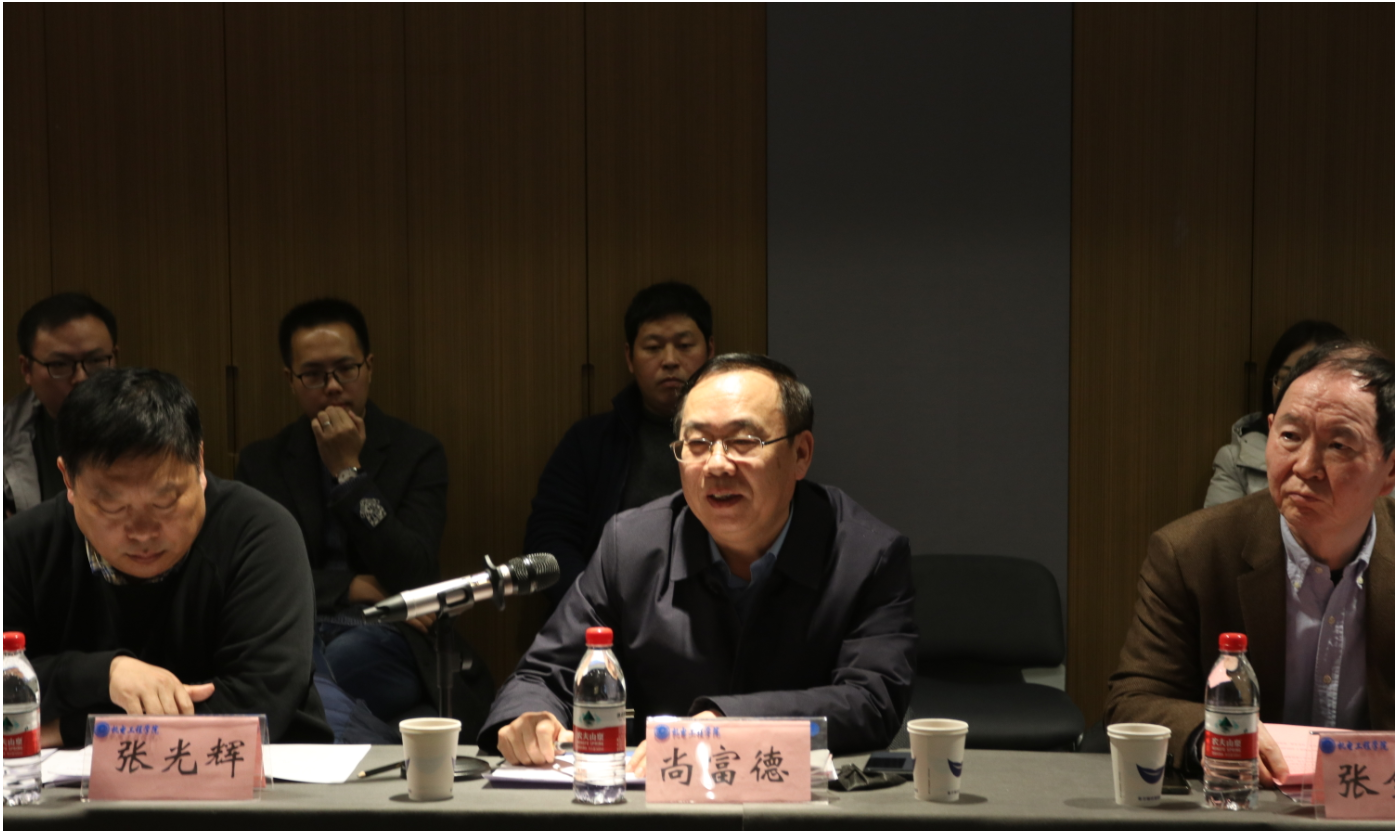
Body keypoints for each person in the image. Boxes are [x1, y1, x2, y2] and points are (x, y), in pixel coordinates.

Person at [481, 353, 916, 769]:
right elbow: (542, 674)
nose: (717, 464)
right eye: (698, 443)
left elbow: (871, 701)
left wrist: (726, 725)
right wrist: (530, 716)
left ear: (800, 454)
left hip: (806, 804)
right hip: (660, 802)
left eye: (743, 441)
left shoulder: (867, 556)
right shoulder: (630, 547)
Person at [1107, 340, 1395, 784]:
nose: (1305, 466)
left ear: (1390, 470)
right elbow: (1134, 699)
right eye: (1290, 437)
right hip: (1240, 799)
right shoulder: (1192, 553)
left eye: (1338, 445)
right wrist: (1214, 736)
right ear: (1270, 431)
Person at [3, 368, 332, 746]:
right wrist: (104, 674)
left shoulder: (259, 534)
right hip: (61, 781)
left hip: (267, 770)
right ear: (68, 479)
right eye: (113, 507)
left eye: (165, 502)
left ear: (199, 463)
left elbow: (256, 702)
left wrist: (69, 728)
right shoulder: (24, 545)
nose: (143, 532)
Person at [236, 298, 490, 733]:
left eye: (345, 369)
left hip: (389, 634)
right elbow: (259, 579)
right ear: (290, 380)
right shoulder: (262, 463)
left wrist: (349, 474)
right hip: (299, 630)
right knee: (296, 662)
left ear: (369, 368)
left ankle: (328, 731)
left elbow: (415, 571)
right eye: (313, 374)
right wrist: (352, 587)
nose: (333, 387)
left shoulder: (417, 453)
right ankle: (378, 743)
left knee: (326, 668)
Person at [524, 282, 716, 605]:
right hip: (612, 610)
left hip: (717, 606)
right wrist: (592, 606)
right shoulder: (589, 442)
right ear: (629, 357)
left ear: (710, 351)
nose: (670, 360)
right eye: (653, 347)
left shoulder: (743, 442)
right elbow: (549, 540)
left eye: (685, 345)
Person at [1204, 320, 1347, 507]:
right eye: (1287, 377)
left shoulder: (1367, 456)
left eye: (1315, 379)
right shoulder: (1234, 460)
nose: (1297, 390)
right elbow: (1216, 526)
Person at [5, 293, 119, 518]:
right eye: (60, 364)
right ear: (26, 369)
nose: (81, 377)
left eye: (95, 361)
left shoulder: (156, 426)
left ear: (114, 357)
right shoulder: (7, 434)